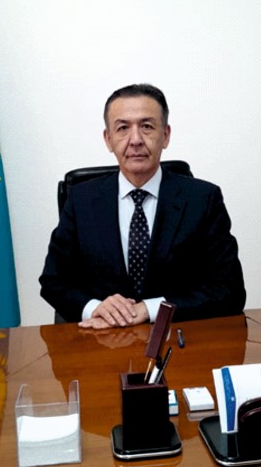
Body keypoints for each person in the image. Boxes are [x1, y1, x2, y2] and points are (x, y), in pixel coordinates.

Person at [39, 84, 246, 328]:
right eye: (123, 128)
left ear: (166, 135)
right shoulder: (80, 199)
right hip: (101, 339)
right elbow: (53, 281)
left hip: (177, 338)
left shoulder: (203, 199)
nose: (135, 140)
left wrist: (150, 309)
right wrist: (95, 308)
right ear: (108, 139)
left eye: (147, 126)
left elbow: (229, 289)